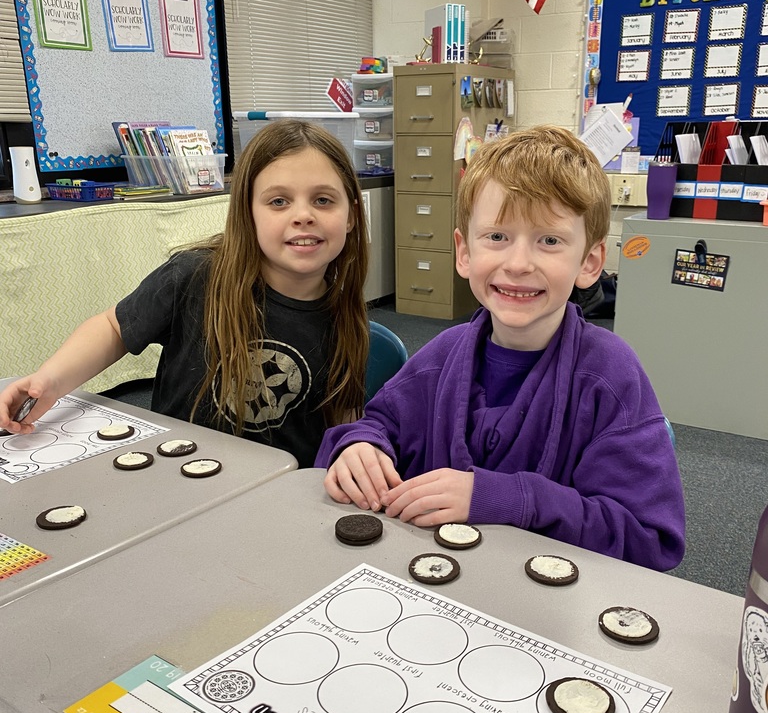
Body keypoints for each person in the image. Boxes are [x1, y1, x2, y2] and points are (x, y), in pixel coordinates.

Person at [317, 125, 685, 570]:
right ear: (464, 252)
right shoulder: (443, 355)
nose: (517, 264)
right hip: (436, 583)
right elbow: (376, 425)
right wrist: (360, 448)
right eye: (497, 237)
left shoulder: (610, 377)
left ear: (589, 263)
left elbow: (648, 538)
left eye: (549, 241)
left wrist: (510, 498)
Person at [0, 120, 370, 468]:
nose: (303, 215)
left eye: (323, 200)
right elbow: (114, 329)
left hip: (277, 493)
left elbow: (341, 421)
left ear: (351, 215)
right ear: (247, 213)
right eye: (278, 201)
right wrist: (49, 380)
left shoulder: (346, 316)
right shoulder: (195, 275)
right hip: (177, 472)